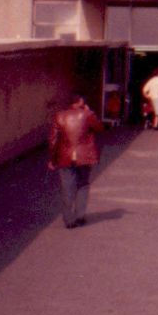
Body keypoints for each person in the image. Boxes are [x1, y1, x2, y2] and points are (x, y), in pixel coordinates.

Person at [47, 95, 103, 229]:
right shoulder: (87, 115)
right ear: (80, 102)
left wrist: (53, 159)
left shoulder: (59, 116)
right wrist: (90, 112)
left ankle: (69, 219)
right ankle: (80, 216)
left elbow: (53, 141)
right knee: (83, 185)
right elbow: (100, 128)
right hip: (84, 156)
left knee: (67, 187)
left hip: (64, 156)